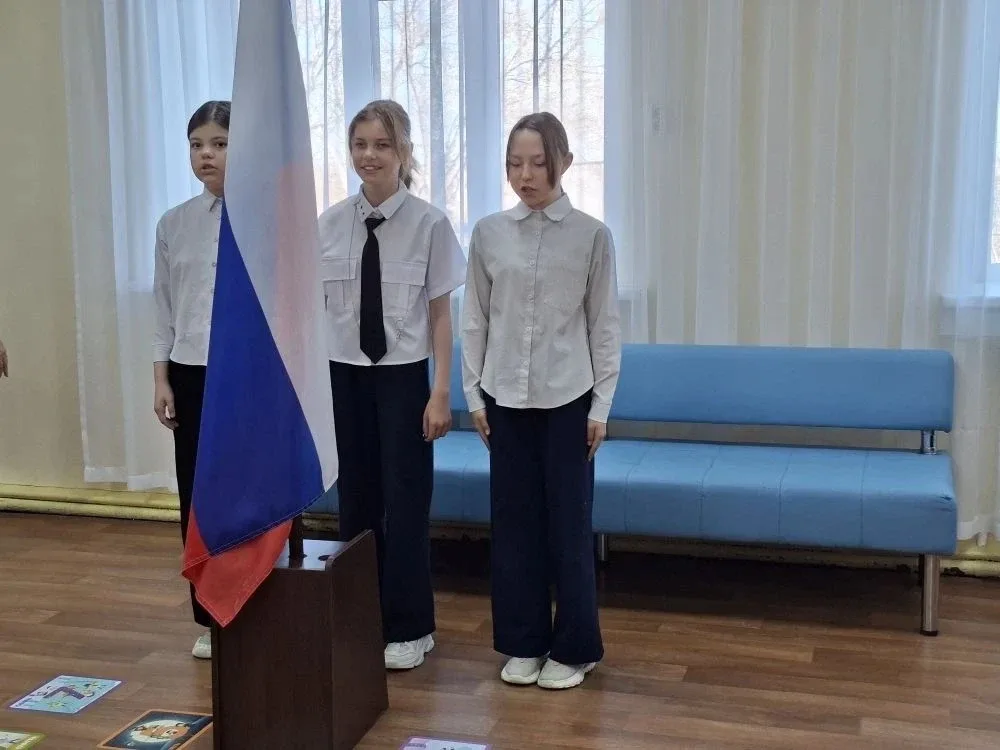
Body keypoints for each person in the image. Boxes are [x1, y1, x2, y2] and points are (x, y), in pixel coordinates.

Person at [462, 112, 621, 690]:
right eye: (514, 163)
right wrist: (473, 393)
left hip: (568, 399)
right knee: (513, 526)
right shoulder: (488, 233)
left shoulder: (591, 235)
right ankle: (523, 641)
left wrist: (601, 406)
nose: (525, 175)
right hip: (504, 398)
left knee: (569, 527)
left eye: (537, 163)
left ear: (564, 163)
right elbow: (475, 318)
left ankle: (576, 648)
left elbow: (604, 326)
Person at [318, 100, 466, 670]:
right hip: (345, 375)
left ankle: (410, 626)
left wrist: (441, 391)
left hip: (404, 379)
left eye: (382, 144)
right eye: (360, 144)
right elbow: (313, 312)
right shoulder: (329, 224)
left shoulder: (429, 224)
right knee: (355, 502)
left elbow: (441, 316)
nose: (369, 155)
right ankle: (360, 619)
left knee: (405, 503)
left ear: (404, 151)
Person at [152, 100, 230, 660]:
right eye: (198, 145)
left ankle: (257, 601)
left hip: (247, 375)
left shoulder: (267, 218)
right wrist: (162, 377)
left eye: (220, 144)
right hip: (190, 371)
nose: (206, 154)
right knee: (197, 496)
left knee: (245, 492)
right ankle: (208, 614)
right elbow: (163, 308)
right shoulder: (174, 223)